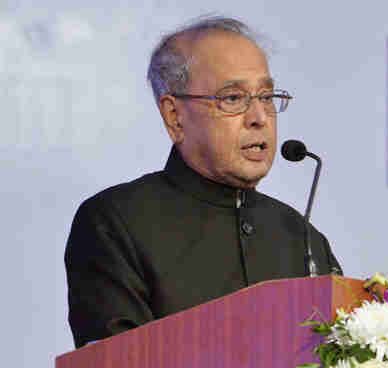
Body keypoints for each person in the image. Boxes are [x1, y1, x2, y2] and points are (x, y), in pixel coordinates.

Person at [64, 16, 341, 348]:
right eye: (233, 98)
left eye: (266, 97)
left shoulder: (303, 237)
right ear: (174, 116)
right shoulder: (116, 222)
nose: (259, 118)